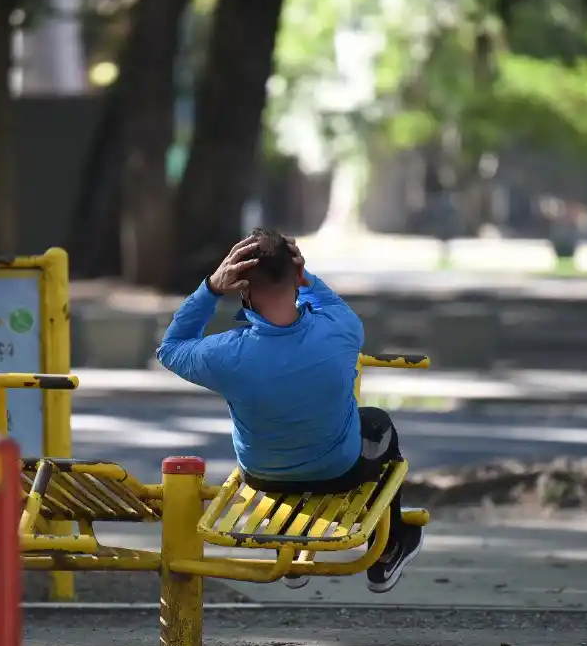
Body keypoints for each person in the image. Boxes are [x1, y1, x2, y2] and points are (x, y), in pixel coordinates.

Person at [156, 229, 424, 593]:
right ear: (295, 276)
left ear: (243, 289)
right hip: (338, 472)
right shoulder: (342, 330)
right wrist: (307, 278)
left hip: (263, 477)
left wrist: (211, 289)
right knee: (376, 422)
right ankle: (388, 550)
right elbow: (330, 304)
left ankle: (293, 543)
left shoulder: (224, 355)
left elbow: (170, 348)